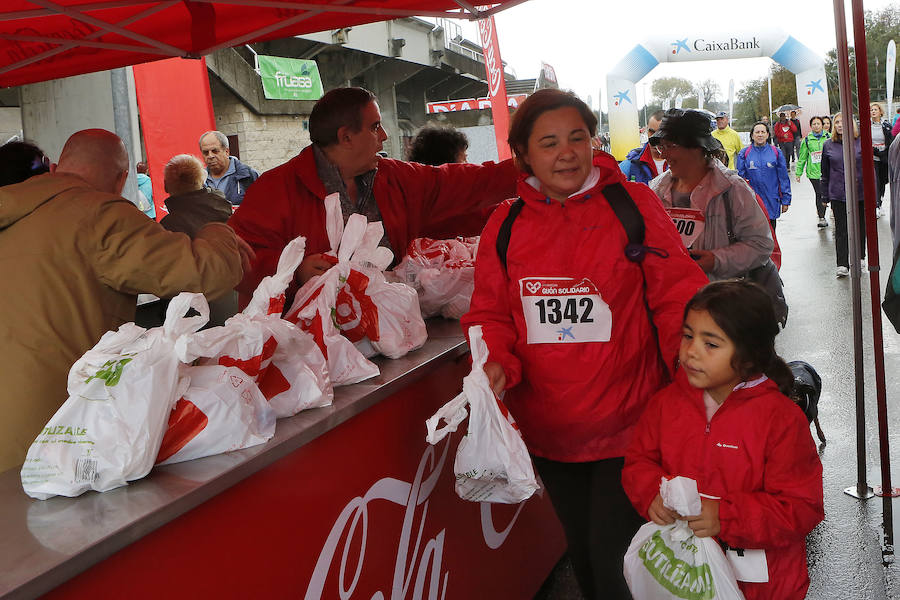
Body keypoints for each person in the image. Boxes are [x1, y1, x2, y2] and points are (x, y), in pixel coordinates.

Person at [461, 89, 708, 600]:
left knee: (616, 559)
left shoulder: (633, 205)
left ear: (593, 141)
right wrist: (495, 364)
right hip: (550, 430)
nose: (566, 152)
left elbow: (676, 299)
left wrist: (693, 383)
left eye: (577, 137)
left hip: (632, 424)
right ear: (524, 155)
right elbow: (490, 313)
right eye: (548, 143)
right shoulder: (504, 225)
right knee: (586, 559)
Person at [0, 129, 252, 473]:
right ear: (121, 180)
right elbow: (201, 273)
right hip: (57, 428)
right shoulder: (98, 214)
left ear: (57, 167)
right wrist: (218, 231)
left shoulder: (15, 210)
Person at [228, 86, 519, 309]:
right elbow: (236, 261)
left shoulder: (394, 177)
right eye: (374, 126)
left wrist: (529, 168)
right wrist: (296, 270)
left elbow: (463, 182)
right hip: (297, 349)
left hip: (384, 332)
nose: (385, 136)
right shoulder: (276, 188)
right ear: (346, 137)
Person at [622, 280, 824, 600]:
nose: (691, 351)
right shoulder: (667, 403)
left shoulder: (780, 420)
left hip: (766, 587)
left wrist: (725, 516)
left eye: (710, 344)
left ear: (749, 355)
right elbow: (639, 460)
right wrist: (650, 492)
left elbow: (800, 507)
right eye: (688, 336)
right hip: (686, 577)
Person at [649, 109, 774, 280]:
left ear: (697, 148)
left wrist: (716, 260)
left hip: (722, 299)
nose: (663, 154)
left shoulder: (733, 189)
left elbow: (761, 245)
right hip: (675, 297)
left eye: (671, 146)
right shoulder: (657, 189)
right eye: (661, 146)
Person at [158, 154, 238, 327]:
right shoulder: (225, 211)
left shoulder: (170, 226)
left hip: (196, 319)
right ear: (202, 180)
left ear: (165, 186)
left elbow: (167, 278)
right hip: (236, 308)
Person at [822, 113, 869, 278]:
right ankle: (842, 263)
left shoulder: (860, 142)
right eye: (837, 122)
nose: (840, 125)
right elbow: (825, 173)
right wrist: (824, 196)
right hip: (838, 193)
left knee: (860, 226)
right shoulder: (828, 145)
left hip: (860, 192)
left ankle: (860, 257)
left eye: (844, 122)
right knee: (841, 229)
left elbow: (869, 169)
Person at [737, 121, 791, 230]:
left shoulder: (776, 152)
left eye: (763, 132)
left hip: (772, 200)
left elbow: (783, 177)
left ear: (767, 134)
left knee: (771, 234)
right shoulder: (744, 153)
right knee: (754, 235)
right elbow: (739, 180)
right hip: (752, 203)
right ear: (752, 135)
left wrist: (786, 200)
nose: (760, 134)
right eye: (757, 132)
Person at [200, 130, 259, 206]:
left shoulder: (249, 176)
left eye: (215, 151)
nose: (210, 156)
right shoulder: (198, 181)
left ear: (227, 152)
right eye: (206, 152)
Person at [796, 115, 831, 228]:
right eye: (814, 124)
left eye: (818, 124)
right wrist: (798, 173)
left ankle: (833, 212)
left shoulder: (829, 137)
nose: (816, 126)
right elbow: (802, 157)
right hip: (814, 173)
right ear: (811, 126)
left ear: (822, 125)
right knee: (820, 193)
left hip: (829, 171)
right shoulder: (807, 140)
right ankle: (821, 216)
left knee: (831, 192)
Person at [619, 109, 667, 184]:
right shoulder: (630, 164)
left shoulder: (681, 163)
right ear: (647, 130)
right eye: (651, 132)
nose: (655, 137)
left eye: (660, 133)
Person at [869, 102, 893, 216]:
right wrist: (876, 151)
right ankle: (876, 205)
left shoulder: (886, 125)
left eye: (875, 109)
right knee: (875, 181)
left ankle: (880, 203)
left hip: (884, 158)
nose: (873, 111)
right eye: (871, 110)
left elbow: (891, 141)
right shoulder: (867, 126)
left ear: (880, 112)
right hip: (873, 157)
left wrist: (885, 153)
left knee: (882, 182)